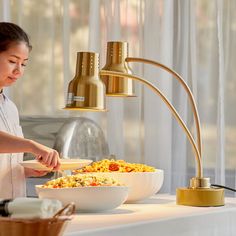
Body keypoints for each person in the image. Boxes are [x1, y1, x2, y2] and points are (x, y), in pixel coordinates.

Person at [0, 22, 61, 198]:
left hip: (13, 209)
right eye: (12, 61)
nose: (18, 71)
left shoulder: (10, 108)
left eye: (24, 64)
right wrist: (32, 145)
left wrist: (24, 171)